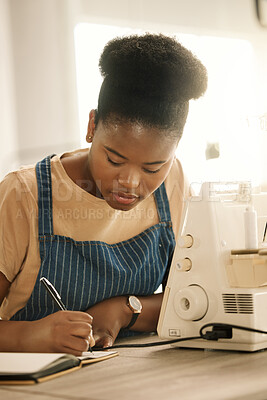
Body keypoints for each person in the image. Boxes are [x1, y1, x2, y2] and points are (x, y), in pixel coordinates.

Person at [0, 33, 207, 355]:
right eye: (114, 159)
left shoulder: (173, 180)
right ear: (92, 126)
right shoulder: (24, 193)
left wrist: (125, 309)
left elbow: (194, 298)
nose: (130, 182)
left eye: (153, 167)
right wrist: (28, 336)